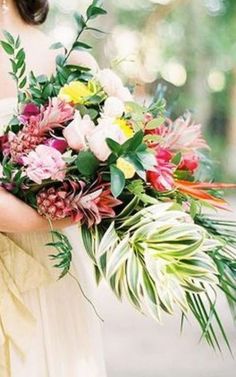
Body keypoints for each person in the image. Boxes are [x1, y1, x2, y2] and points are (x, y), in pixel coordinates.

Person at [0, 1, 107, 376]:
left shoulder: (71, 64)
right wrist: (68, 209)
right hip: (52, 250)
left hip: (48, 263)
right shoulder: (69, 61)